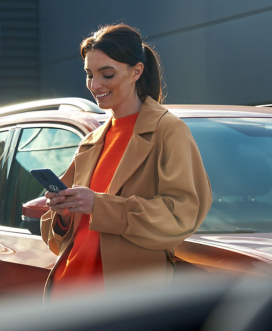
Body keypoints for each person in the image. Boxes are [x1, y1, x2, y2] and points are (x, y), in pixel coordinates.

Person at [41, 24, 211, 298]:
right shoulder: (92, 140)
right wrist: (62, 213)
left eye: (106, 74)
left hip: (126, 300)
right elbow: (58, 238)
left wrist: (99, 205)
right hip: (68, 292)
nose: (95, 86)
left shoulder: (168, 130)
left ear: (136, 71)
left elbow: (181, 215)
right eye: (89, 74)